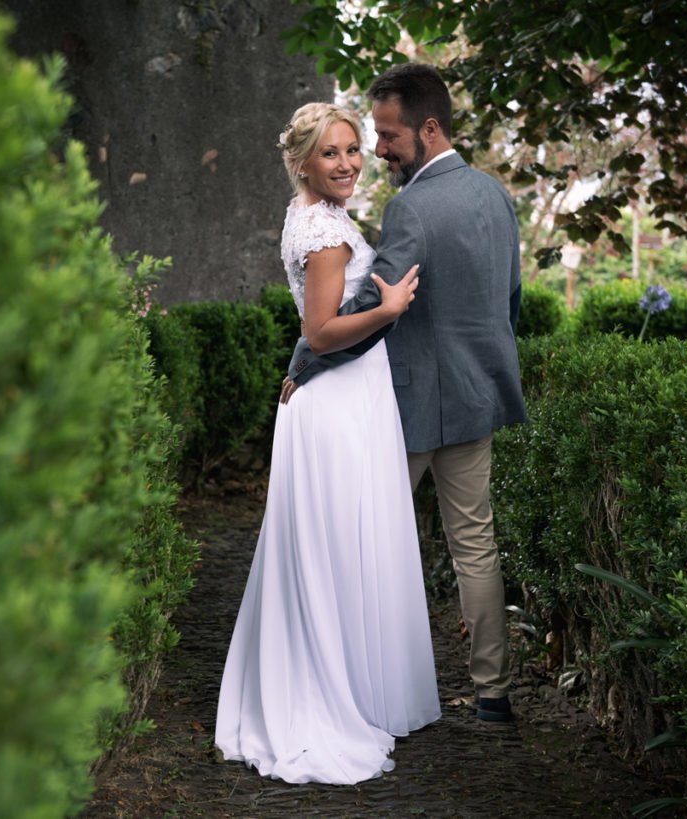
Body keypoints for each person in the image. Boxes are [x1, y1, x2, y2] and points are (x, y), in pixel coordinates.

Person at [283, 64, 527, 723]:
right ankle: (493, 692)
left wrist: (305, 361)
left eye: (387, 137)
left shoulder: (411, 207)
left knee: (369, 540)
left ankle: (360, 687)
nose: (378, 150)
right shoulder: (496, 196)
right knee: (475, 543)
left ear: (428, 127)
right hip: (478, 394)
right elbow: (510, 301)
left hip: (408, 404)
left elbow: (371, 303)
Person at [214, 101, 441, 786]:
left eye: (351, 150)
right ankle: (330, 694)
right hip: (338, 405)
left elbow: (307, 332)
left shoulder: (317, 216)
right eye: (330, 153)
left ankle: (357, 682)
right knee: (340, 545)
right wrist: (388, 309)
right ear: (302, 162)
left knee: (341, 544)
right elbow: (319, 332)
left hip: (344, 398)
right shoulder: (323, 230)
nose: (346, 163)